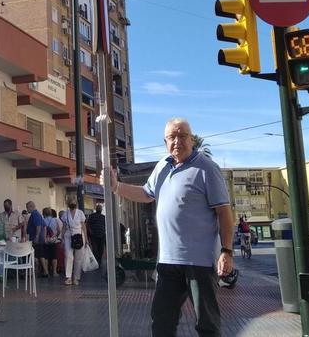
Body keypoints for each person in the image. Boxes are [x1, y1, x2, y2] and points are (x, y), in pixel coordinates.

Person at [110, 117, 233, 337]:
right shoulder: (162, 167)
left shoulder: (206, 168)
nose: (177, 141)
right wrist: (116, 186)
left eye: (182, 135)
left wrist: (226, 251)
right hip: (168, 262)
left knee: (207, 326)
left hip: (200, 263)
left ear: (191, 139)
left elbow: (224, 213)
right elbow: (146, 194)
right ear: (165, 142)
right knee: (162, 324)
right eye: (171, 137)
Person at [61, 199, 87, 286]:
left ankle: (76, 278)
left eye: (74, 203)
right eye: (71, 203)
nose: (73, 204)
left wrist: (86, 239)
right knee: (68, 256)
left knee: (78, 258)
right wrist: (62, 238)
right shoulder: (65, 214)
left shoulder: (80, 213)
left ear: (76, 204)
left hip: (79, 236)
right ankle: (68, 277)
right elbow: (64, 227)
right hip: (68, 236)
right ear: (68, 204)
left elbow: (83, 226)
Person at [25, 201, 48, 277]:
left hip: (36, 238)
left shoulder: (35, 214)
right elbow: (44, 226)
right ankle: (43, 271)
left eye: (27, 207)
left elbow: (38, 226)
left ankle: (44, 271)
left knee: (38, 255)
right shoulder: (38, 214)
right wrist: (43, 237)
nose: (27, 209)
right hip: (38, 238)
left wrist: (37, 236)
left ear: (31, 206)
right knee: (39, 255)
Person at [42, 207, 61, 277]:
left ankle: (46, 271)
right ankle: (54, 272)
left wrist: (45, 239)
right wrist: (55, 236)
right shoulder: (55, 220)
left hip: (46, 241)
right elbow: (59, 230)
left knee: (46, 257)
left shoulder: (43, 220)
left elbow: (43, 231)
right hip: (53, 240)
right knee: (54, 257)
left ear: (44, 213)